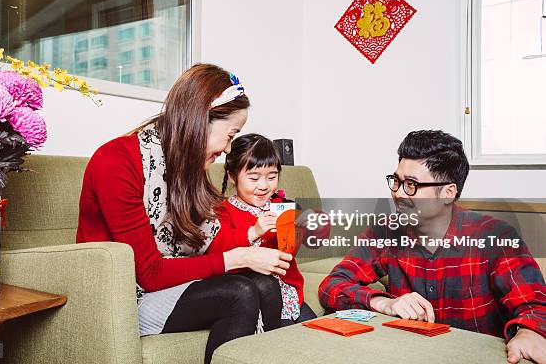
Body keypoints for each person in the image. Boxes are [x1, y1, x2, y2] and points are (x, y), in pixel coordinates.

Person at [77, 64, 292, 364]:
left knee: (266, 283)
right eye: (230, 135)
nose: (229, 148)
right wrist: (241, 257)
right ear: (200, 119)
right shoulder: (115, 161)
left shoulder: (189, 171)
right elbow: (149, 275)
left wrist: (253, 237)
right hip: (123, 296)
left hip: (168, 287)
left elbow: (210, 243)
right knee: (240, 291)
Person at [318, 130, 546, 364]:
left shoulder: (494, 237)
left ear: (448, 192)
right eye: (396, 181)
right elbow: (332, 286)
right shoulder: (387, 231)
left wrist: (530, 332)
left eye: (411, 185)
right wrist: (383, 302)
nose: (397, 193)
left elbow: (535, 305)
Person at [207, 133, 317, 327]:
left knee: (317, 335)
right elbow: (217, 251)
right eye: (254, 178)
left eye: (272, 177)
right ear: (232, 176)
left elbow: (288, 253)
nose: (264, 186)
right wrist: (253, 232)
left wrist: (299, 230)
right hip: (256, 297)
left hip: (290, 294)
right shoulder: (224, 211)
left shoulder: (280, 205)